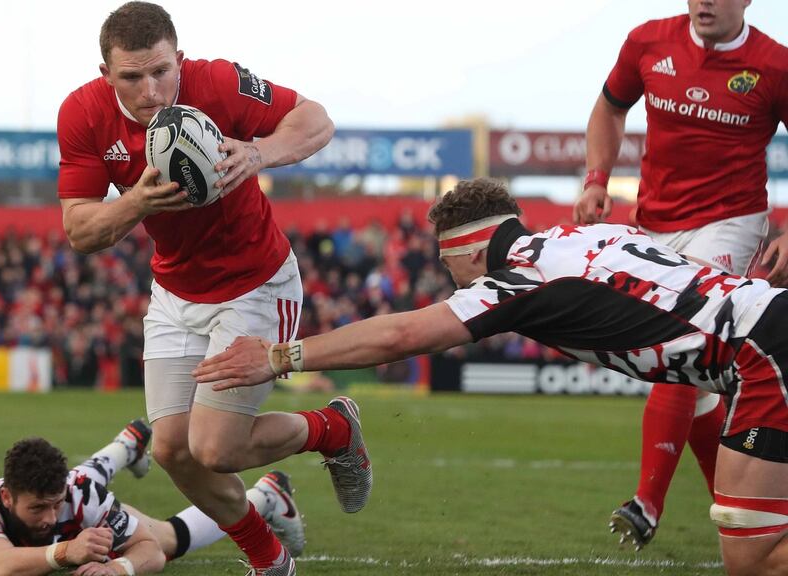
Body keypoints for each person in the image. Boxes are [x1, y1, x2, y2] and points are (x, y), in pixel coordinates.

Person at [196, 178, 788, 576]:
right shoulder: (579, 237)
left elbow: (398, 336)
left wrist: (279, 357)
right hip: (763, 339)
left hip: (761, 355)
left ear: (474, 251)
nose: (448, 272)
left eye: (446, 259)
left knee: (752, 555)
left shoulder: (518, 280)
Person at [56, 4, 371, 574]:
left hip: (255, 283)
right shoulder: (81, 113)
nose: (151, 90)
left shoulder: (219, 82)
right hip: (175, 295)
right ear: (105, 74)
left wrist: (259, 152)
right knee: (174, 449)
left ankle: (333, 428)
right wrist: (136, 201)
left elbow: (316, 119)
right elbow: (79, 230)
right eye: (131, 77)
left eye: (162, 71)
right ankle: (270, 558)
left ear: (179, 57)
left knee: (216, 448)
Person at [573, 0, 788, 549]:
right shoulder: (648, 42)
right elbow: (609, 107)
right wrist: (597, 178)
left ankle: (647, 503)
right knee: (698, 387)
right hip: (654, 223)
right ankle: (744, 510)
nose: (706, 1)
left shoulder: (774, 64)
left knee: (678, 339)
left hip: (731, 223)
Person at [0, 420, 306, 576]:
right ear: (8, 499)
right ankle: (128, 444)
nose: (49, 517)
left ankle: (265, 496)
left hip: (81, 493)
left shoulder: (75, 495)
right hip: (72, 510)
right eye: (37, 508)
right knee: (81, 484)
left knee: (168, 539)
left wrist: (118, 568)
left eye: (55, 504)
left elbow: (150, 551)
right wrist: (66, 552)